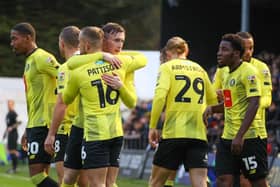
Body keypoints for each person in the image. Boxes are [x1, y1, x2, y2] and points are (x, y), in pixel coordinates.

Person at [62, 26, 146, 187]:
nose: (120, 45)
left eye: (122, 41)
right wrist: (101, 55)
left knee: (101, 182)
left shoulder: (121, 62)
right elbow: (72, 62)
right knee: (72, 176)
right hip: (81, 127)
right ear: (103, 41)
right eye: (116, 40)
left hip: (98, 130)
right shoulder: (86, 60)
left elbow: (142, 60)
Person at [148, 36, 217, 187]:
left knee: (155, 182)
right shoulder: (200, 69)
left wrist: (153, 126)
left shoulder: (167, 67)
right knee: (200, 182)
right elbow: (213, 102)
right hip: (198, 134)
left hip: (174, 133)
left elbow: (160, 97)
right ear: (187, 51)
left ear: (167, 52)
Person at [203, 33, 269, 187]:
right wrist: (212, 108)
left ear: (236, 54)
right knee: (222, 181)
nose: (219, 53)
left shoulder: (249, 72)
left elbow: (255, 103)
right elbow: (229, 104)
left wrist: (240, 136)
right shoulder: (225, 73)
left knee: (257, 182)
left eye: (224, 50)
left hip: (250, 138)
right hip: (227, 136)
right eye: (219, 49)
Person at [10, 22, 60, 186]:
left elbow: (65, 76)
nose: (12, 43)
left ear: (28, 38)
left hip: (44, 125)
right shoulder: (30, 60)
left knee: (37, 176)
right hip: (35, 125)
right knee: (42, 174)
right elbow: (34, 99)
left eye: (14, 39)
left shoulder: (42, 58)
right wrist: (28, 128)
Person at [43, 25, 82, 186]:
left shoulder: (66, 68)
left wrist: (51, 134)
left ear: (62, 43)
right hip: (89, 130)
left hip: (67, 131)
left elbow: (62, 104)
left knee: (65, 181)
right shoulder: (91, 64)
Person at [4, 99, 21, 174]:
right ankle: (15, 167)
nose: (9, 105)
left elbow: (19, 122)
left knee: (12, 150)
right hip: (10, 134)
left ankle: (14, 168)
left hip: (14, 134)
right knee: (10, 150)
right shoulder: (8, 114)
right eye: (8, 104)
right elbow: (8, 126)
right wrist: (5, 133)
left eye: (10, 104)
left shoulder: (14, 113)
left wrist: (12, 127)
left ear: (13, 105)